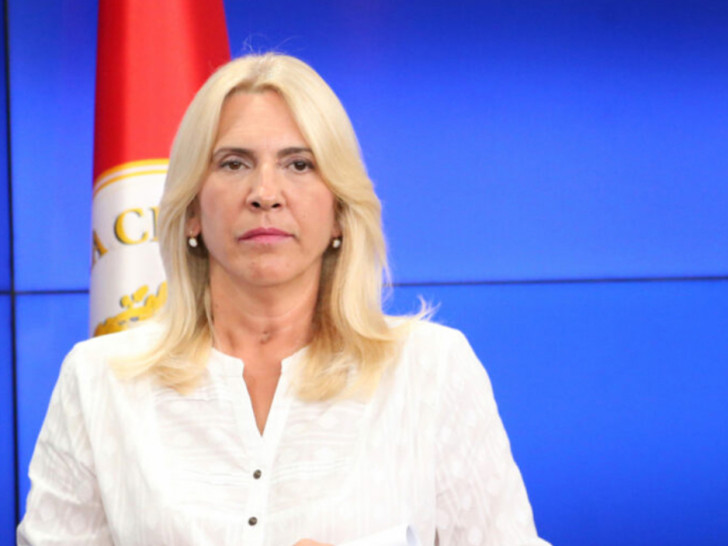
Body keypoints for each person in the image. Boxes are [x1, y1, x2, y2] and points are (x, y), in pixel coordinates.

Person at [18, 53, 550, 546]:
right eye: (234, 163)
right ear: (193, 211)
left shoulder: (432, 370)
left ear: (340, 210)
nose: (265, 193)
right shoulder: (99, 380)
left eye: (299, 164)